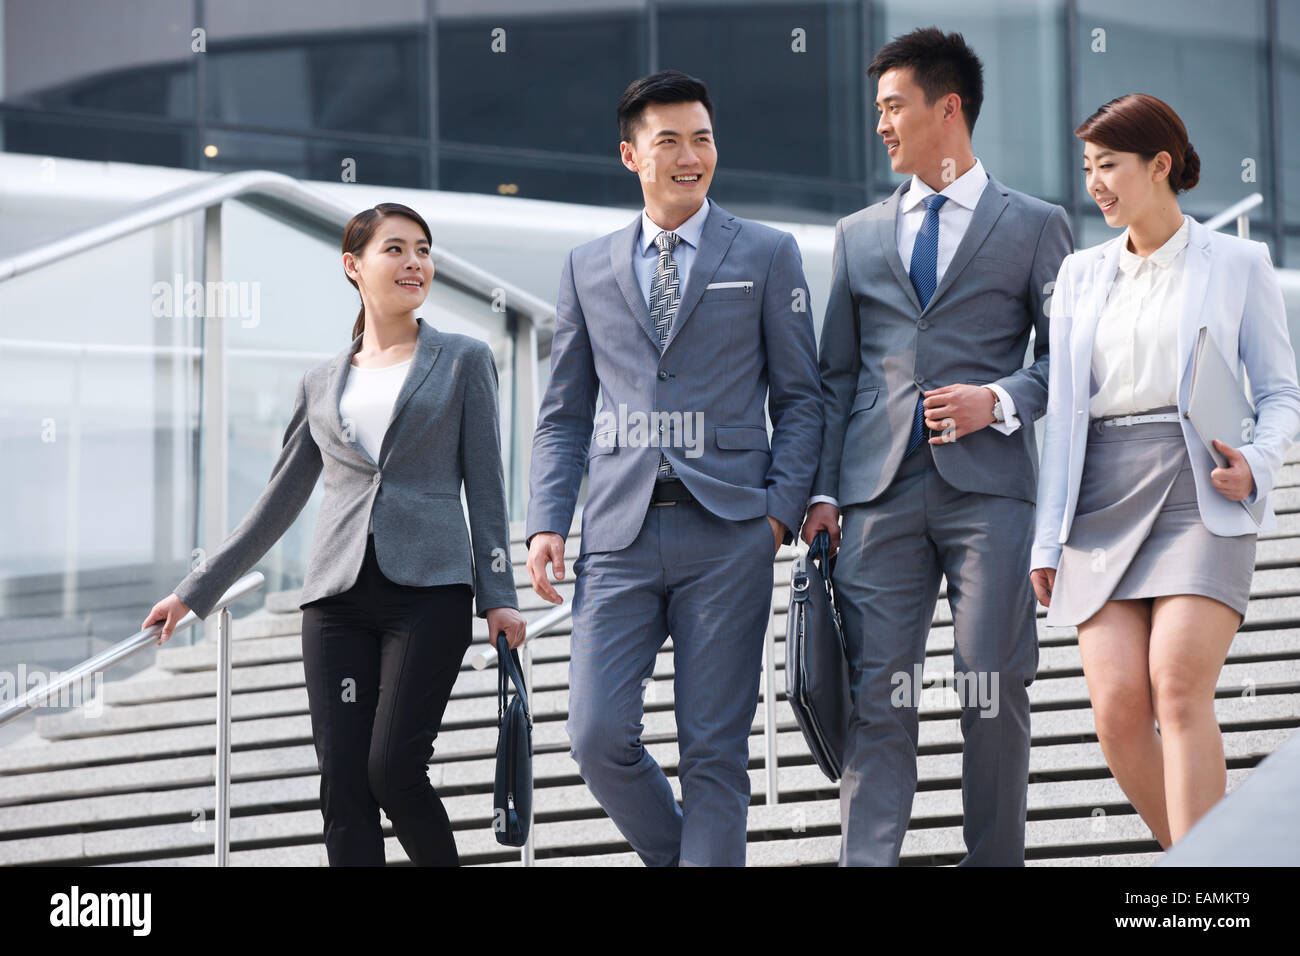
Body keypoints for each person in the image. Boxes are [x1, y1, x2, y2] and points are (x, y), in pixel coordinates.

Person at [142, 202, 526, 866]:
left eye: (424, 250)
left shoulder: (464, 360)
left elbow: (487, 489)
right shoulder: (320, 383)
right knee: (343, 785)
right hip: (335, 601)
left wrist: (499, 593)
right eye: (396, 249)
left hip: (429, 592)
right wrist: (196, 592)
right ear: (353, 266)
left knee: (392, 768)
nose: (414, 263)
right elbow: (277, 502)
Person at [524, 70, 823, 866]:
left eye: (703, 138)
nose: (691, 156)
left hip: (730, 531)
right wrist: (547, 520)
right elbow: (563, 412)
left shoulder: (766, 252)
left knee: (715, 753)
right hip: (618, 533)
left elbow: (801, 397)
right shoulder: (586, 266)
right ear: (631, 154)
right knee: (594, 736)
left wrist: (776, 514)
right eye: (670, 141)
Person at [801, 27, 1072, 866]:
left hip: (989, 494)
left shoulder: (1035, 226)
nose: (881, 124)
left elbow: (1068, 358)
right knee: (878, 696)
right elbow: (834, 376)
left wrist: (998, 398)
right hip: (875, 498)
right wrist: (820, 493)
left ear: (946, 108)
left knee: (990, 690)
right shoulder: (859, 234)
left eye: (894, 107)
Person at [1031, 93, 1300, 849]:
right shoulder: (1080, 276)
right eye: (1087, 168)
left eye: (1109, 165)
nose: (1096, 184)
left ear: (1160, 166)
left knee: (1178, 689)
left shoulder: (1239, 263)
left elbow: (1280, 392)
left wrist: (1259, 458)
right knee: (1117, 712)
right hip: (1099, 497)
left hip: (1199, 490)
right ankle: (1202, 861)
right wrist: (1046, 540)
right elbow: (1064, 416)